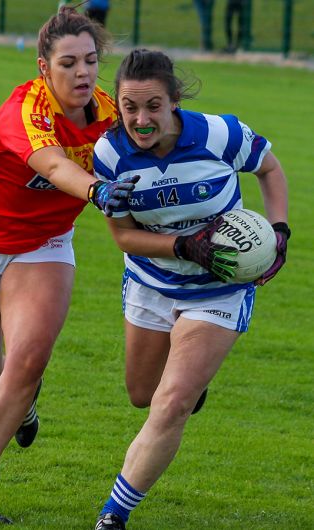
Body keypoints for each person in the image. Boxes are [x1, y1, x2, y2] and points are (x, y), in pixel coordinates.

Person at [0, 6, 138, 524]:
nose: (83, 73)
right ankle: (19, 400)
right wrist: (98, 189)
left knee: (28, 357)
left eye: (91, 61)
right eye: (68, 63)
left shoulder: (112, 119)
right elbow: (50, 163)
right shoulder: (25, 110)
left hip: (42, 245)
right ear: (44, 68)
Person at [92, 49, 290, 529]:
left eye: (153, 106)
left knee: (171, 402)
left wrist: (279, 231)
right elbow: (122, 235)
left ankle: (112, 517)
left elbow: (269, 168)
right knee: (142, 393)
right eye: (130, 107)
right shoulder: (110, 154)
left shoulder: (218, 135)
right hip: (151, 281)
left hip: (220, 286)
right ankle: (189, 384)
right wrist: (184, 245)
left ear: (174, 101)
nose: (141, 119)